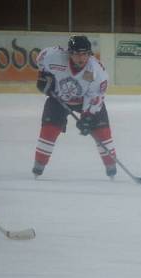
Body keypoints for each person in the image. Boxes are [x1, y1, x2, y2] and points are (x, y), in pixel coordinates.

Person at [33, 35, 117, 179]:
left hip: (85, 101)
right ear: (69, 52)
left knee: (102, 133)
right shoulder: (53, 56)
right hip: (58, 99)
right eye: (77, 53)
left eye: (84, 54)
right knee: (49, 131)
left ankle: (111, 168)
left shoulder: (97, 72)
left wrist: (88, 117)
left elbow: (96, 97)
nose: (81, 58)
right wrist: (43, 76)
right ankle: (38, 167)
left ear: (89, 54)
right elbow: (40, 58)